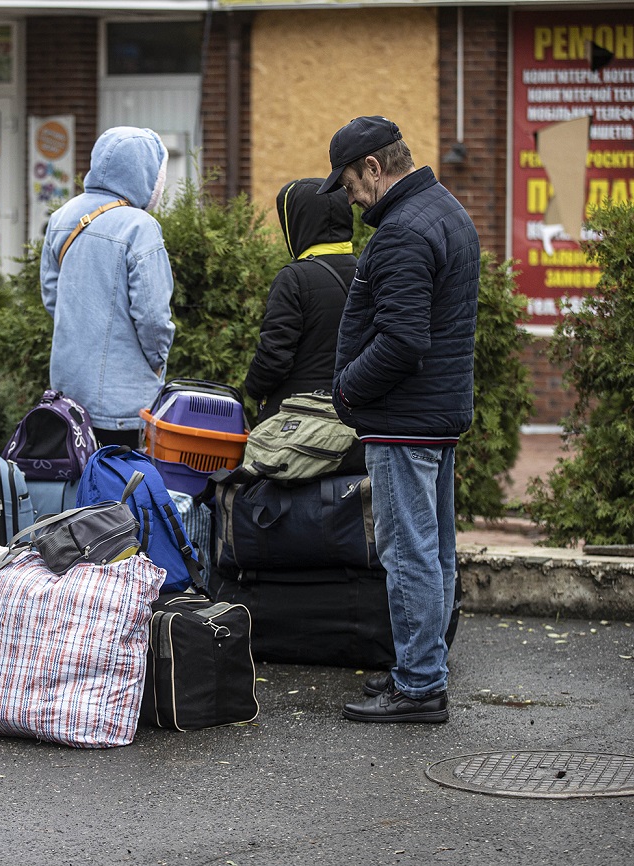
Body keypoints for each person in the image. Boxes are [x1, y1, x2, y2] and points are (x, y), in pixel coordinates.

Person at [320, 116, 479, 724]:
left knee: (406, 551)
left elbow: (402, 341)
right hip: (433, 417)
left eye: (352, 184)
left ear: (375, 168)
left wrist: (346, 391)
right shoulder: (445, 211)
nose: (352, 198)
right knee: (433, 549)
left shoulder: (403, 233)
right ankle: (425, 670)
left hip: (402, 420)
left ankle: (417, 686)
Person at [41, 126, 175, 448]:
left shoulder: (62, 216)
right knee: (120, 492)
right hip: (123, 402)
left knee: (79, 492)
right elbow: (153, 315)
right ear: (145, 175)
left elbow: (51, 298)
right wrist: (158, 362)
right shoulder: (140, 226)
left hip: (66, 396)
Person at [243, 177, 356, 425]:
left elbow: (274, 357)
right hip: (351, 421)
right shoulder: (365, 270)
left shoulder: (294, 278)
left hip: (298, 424)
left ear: (297, 222)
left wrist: (252, 389)